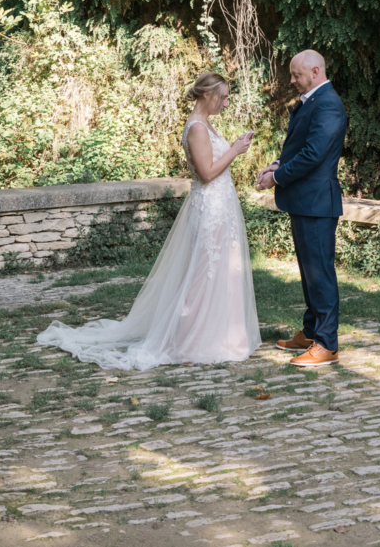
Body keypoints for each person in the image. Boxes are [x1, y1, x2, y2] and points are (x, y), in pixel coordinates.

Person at [37, 72, 260, 369]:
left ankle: (220, 336)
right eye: (223, 96)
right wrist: (234, 150)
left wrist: (232, 146)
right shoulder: (196, 127)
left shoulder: (207, 125)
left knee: (220, 272)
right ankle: (190, 341)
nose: (226, 102)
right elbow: (206, 173)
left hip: (221, 208)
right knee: (201, 277)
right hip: (210, 209)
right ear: (207, 95)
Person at [255, 50, 348, 368]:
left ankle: (327, 345)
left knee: (320, 274)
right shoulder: (312, 101)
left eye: (296, 75)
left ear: (316, 71)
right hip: (305, 201)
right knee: (309, 273)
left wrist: (277, 178)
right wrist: (277, 164)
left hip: (318, 202)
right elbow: (299, 147)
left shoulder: (329, 104)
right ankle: (310, 333)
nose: (292, 80)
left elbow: (313, 154)